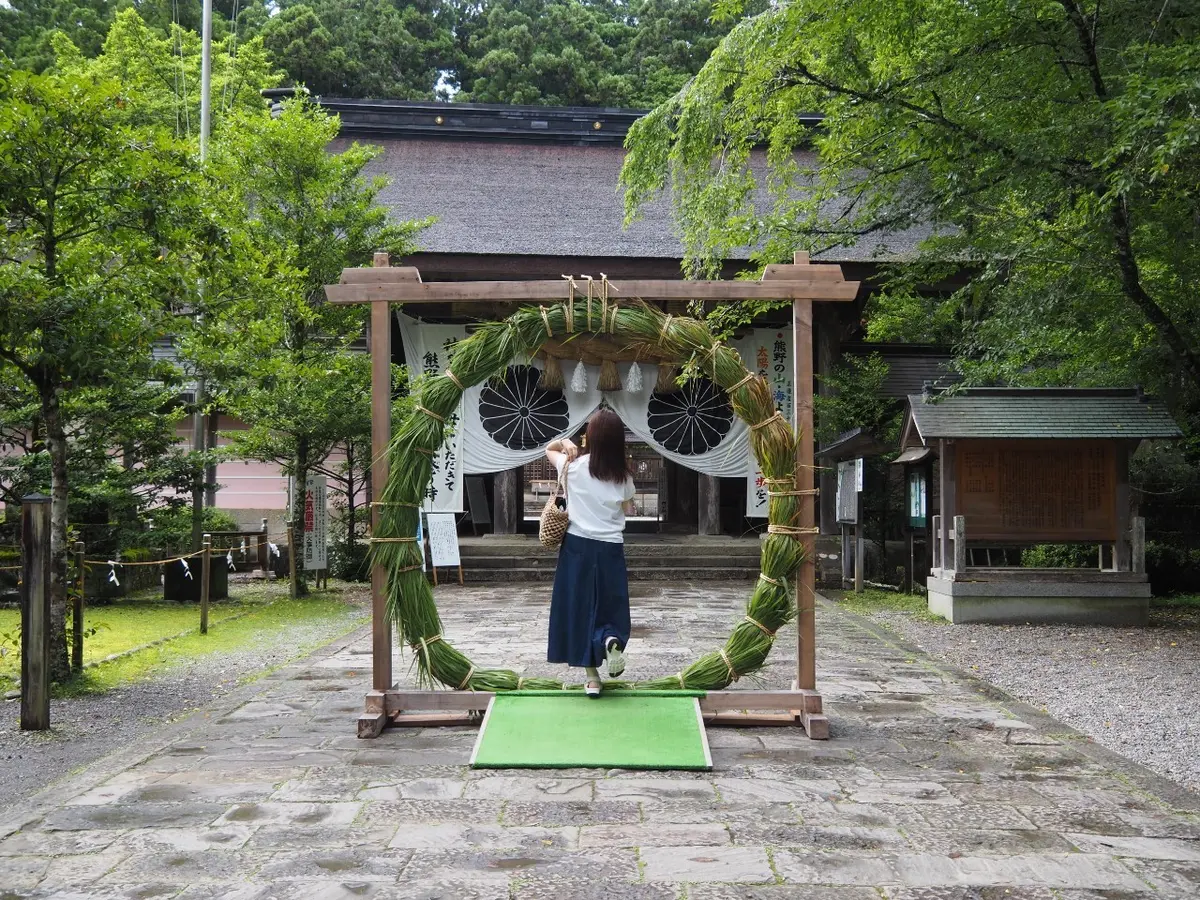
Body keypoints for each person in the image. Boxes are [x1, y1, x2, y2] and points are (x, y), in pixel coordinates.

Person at [544, 408, 636, 697]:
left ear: (590, 437)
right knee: (609, 604)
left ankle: (592, 678)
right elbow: (628, 509)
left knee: (580, 608)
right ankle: (610, 639)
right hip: (611, 548)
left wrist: (564, 442)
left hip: (577, 548)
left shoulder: (571, 468)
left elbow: (548, 449)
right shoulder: (624, 478)